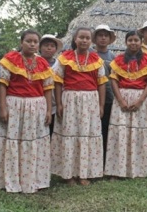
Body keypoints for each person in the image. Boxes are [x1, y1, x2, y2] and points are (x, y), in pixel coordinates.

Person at [0, 29, 53, 193]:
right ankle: (10, 180)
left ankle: (33, 180)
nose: (32, 44)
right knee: (13, 141)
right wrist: (3, 108)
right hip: (15, 105)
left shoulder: (43, 63)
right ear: (21, 42)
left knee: (34, 141)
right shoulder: (10, 60)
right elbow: (3, 85)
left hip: (36, 107)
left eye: (35, 42)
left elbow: (47, 89)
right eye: (29, 41)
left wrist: (47, 111)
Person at [51, 27, 107, 186]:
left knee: (87, 135)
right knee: (70, 135)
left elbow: (101, 83)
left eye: (87, 38)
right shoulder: (64, 58)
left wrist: (101, 105)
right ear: (75, 39)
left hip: (90, 101)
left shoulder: (97, 60)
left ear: (91, 41)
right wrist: (59, 103)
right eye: (81, 37)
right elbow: (57, 82)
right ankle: (68, 175)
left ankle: (84, 173)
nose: (84, 40)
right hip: (70, 99)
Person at [104, 30, 147, 179]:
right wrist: (120, 100)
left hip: (141, 98)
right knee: (120, 133)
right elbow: (113, 80)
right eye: (130, 40)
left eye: (136, 40)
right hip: (122, 97)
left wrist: (140, 100)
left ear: (141, 42)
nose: (133, 43)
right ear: (126, 42)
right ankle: (116, 170)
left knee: (139, 133)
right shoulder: (118, 60)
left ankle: (140, 169)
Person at [92, 24, 116, 165]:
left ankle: (105, 161)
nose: (103, 38)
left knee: (106, 129)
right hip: (92, 97)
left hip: (109, 98)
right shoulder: (90, 54)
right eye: (100, 35)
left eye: (105, 35)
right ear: (95, 39)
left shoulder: (112, 56)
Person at [39, 34, 63, 137]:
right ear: (40, 48)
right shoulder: (35, 63)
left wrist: (59, 104)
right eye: (46, 45)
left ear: (56, 49)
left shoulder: (60, 64)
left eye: (52, 46)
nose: (49, 48)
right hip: (39, 104)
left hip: (56, 104)